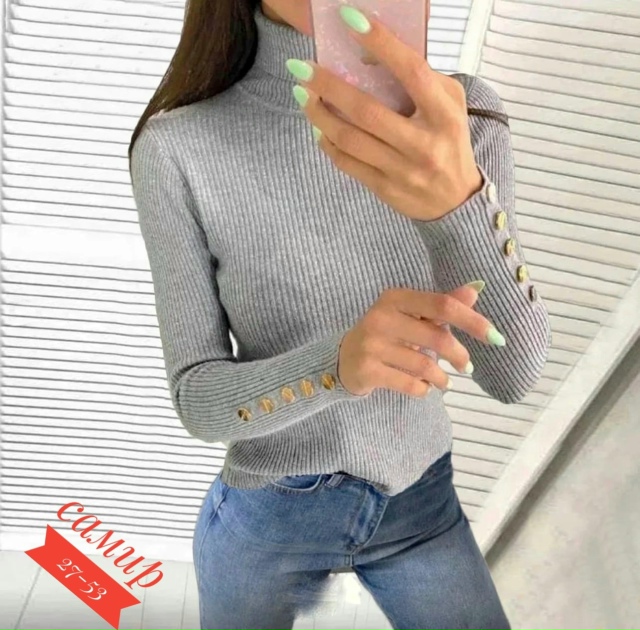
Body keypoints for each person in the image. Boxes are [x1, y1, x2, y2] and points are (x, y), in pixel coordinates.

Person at [128, 1, 551, 628]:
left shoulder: (462, 118)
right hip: (270, 518)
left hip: (420, 501)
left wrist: (457, 204)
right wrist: (335, 367)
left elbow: (514, 376)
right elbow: (197, 398)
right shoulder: (177, 147)